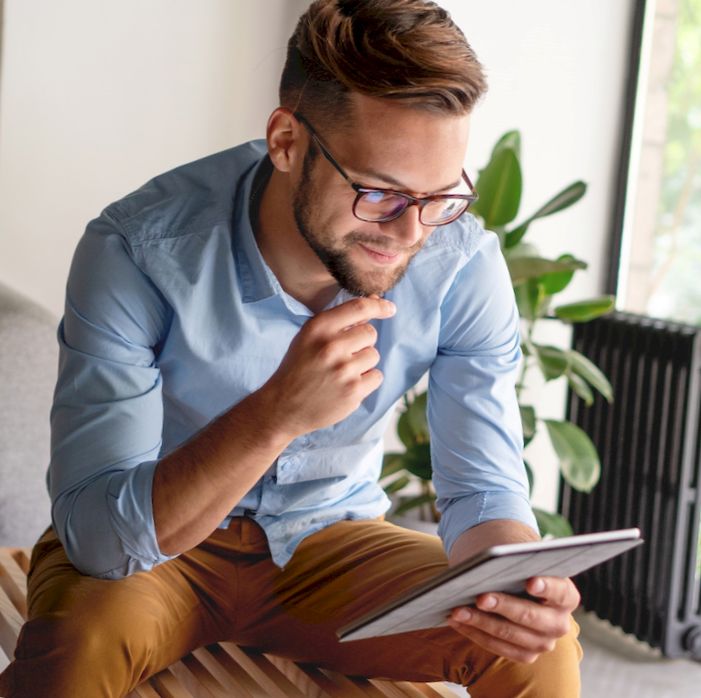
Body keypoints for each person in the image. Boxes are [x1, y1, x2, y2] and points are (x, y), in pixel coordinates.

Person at [0, 1, 583, 696]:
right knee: (74, 650)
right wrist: (277, 412)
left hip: (332, 542)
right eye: (379, 193)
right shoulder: (138, 250)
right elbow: (99, 537)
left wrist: (517, 582)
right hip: (158, 547)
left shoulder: (460, 262)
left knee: (537, 650)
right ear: (285, 141)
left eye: (439, 196)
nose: (410, 231)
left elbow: (483, 489)